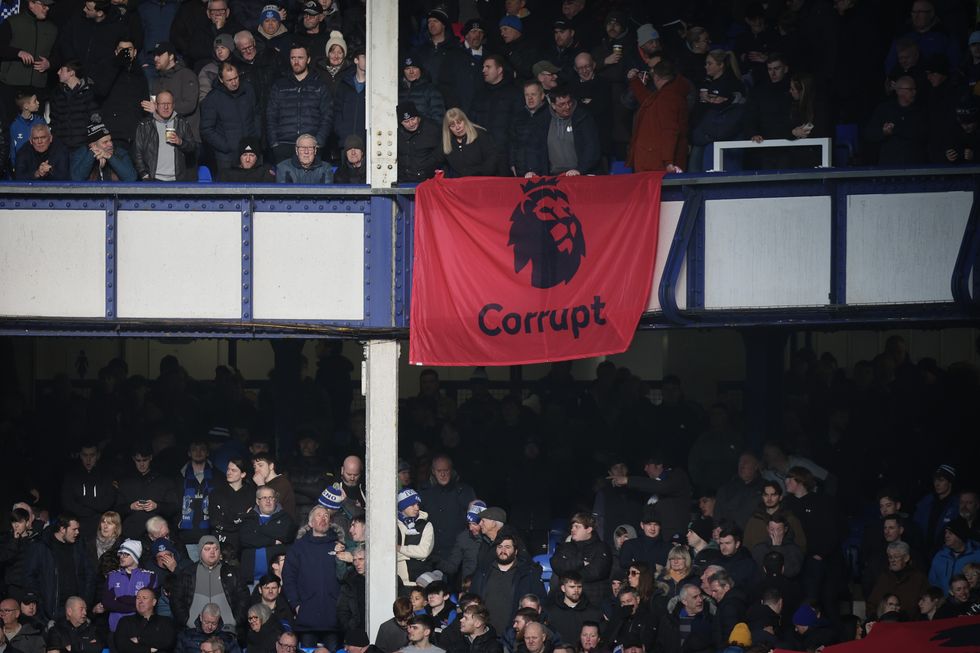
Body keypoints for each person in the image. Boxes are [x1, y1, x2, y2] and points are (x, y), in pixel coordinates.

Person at [282, 505, 343, 650]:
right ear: (310, 523)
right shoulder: (298, 548)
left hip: (333, 618)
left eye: (326, 516)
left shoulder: (339, 546)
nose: (323, 518)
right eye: (318, 515)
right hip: (307, 618)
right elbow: (288, 578)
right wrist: (296, 605)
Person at [469, 533, 545, 636]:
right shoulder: (483, 571)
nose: (503, 550)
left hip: (513, 634)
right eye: (500, 547)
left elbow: (541, 602)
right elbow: (472, 599)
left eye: (507, 547)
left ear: (516, 551)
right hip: (485, 633)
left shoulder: (528, 574)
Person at [266, 44, 332, 163]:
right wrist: (274, 143)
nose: (296, 61)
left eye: (300, 58)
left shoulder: (319, 85)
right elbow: (271, 115)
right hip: (284, 145)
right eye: (293, 58)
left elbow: (327, 116)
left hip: (311, 147)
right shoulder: (280, 85)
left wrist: (318, 142)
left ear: (308, 59)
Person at [170, 536, 249, 633]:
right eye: (207, 549)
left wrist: (234, 620)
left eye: (216, 549)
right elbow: (176, 600)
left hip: (227, 630)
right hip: (194, 630)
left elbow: (243, 598)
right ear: (200, 551)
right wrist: (187, 621)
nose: (212, 552)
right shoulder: (188, 573)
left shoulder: (233, 572)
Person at [607, 452, 693, 541]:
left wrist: (628, 480)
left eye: (647, 465)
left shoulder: (676, 476)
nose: (645, 469)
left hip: (674, 538)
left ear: (659, 465)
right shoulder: (650, 487)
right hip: (656, 539)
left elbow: (662, 487)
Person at [25, 513, 94, 622]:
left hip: (76, 608)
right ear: (62, 529)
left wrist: (85, 602)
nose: (77, 533)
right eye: (74, 529)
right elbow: (30, 576)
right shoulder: (42, 547)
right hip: (52, 609)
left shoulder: (79, 545)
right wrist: (40, 601)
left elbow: (89, 573)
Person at [625, 60, 689, 172]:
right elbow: (648, 101)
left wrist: (668, 162)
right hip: (654, 160)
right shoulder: (667, 94)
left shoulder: (668, 98)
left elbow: (669, 131)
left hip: (657, 164)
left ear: (657, 77)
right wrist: (634, 81)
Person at [523, 86, 601, 177]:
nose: (567, 107)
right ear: (553, 105)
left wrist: (580, 169)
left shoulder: (583, 118)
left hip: (580, 175)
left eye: (569, 102)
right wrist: (533, 170)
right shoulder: (542, 121)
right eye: (562, 104)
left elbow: (591, 147)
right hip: (552, 177)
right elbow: (533, 148)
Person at [689, 49, 746, 172]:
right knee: (694, 173)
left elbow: (734, 116)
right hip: (702, 136)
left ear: (721, 65)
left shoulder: (734, 85)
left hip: (721, 139)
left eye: (710, 63)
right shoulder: (705, 83)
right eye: (706, 63)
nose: (706, 67)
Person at [200, 61, 261, 172]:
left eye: (236, 78)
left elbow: (256, 115)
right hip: (227, 158)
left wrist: (256, 138)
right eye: (229, 80)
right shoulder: (212, 99)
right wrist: (226, 146)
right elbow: (206, 129)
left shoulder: (248, 90)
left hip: (250, 152)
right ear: (221, 79)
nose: (234, 83)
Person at [419, 456, 477, 565]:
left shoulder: (465, 492)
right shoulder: (424, 492)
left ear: (451, 470)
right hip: (431, 553)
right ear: (433, 471)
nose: (443, 474)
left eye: (446, 470)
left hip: (458, 555)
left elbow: (475, 523)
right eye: (439, 471)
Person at [133, 90, 196, 181]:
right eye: (162, 104)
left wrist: (181, 142)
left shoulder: (182, 123)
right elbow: (137, 152)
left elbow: (192, 148)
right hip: (153, 179)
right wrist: (144, 175)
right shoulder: (145, 125)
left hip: (177, 180)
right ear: (156, 106)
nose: (166, 107)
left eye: (169, 103)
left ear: (173, 105)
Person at [239, 487, 296, 583]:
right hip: (251, 579)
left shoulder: (285, 518)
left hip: (277, 580)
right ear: (258, 501)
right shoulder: (248, 518)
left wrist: (257, 530)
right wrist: (273, 541)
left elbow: (286, 536)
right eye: (264, 498)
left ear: (275, 500)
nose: (268, 501)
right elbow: (244, 539)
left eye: (271, 497)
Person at [147, 42, 201, 143]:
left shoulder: (186, 75)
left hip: (187, 139)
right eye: (154, 55)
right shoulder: (156, 81)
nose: (155, 59)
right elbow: (153, 108)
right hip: (164, 138)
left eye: (159, 55)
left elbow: (189, 105)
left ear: (171, 56)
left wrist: (160, 109)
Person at [103, 539, 158, 633]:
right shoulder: (112, 576)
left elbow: (147, 603)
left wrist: (120, 599)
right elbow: (107, 602)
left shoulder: (149, 577)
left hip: (140, 628)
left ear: (135, 556)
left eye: (126, 554)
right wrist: (134, 607)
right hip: (116, 628)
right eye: (120, 554)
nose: (121, 557)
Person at [70, 115, 138, 181]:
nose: (110, 144)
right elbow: (77, 179)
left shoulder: (120, 152)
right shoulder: (81, 153)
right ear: (93, 145)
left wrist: (110, 157)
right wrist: (92, 154)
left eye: (110, 140)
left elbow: (131, 178)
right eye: (105, 142)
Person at [115, 588, 176, 653]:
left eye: (144, 598)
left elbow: (168, 642)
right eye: (138, 598)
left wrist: (139, 639)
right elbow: (122, 645)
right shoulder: (125, 621)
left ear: (154, 602)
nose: (140, 601)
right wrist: (149, 650)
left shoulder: (165, 621)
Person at [441, 107, 498, 178]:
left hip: (482, 180)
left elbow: (491, 160)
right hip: (459, 184)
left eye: (459, 122)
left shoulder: (480, 135)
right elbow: (436, 160)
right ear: (448, 129)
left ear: (465, 121)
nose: (457, 127)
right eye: (453, 126)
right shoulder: (448, 142)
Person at [928, 518, 980, 593]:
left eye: (950, 533)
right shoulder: (940, 556)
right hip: (945, 602)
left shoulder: (977, 555)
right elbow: (933, 581)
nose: (946, 536)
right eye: (946, 533)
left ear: (960, 535)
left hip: (970, 601)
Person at [396, 101, 443, 183]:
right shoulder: (396, 132)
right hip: (402, 181)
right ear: (401, 123)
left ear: (418, 116)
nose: (411, 124)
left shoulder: (433, 129)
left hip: (428, 181)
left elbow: (441, 153)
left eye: (412, 119)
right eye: (406, 122)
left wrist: (428, 169)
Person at [396, 489, 434, 588]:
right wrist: (412, 554)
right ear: (402, 506)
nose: (417, 508)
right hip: (396, 582)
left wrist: (399, 548)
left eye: (417, 504)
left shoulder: (426, 525)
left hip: (419, 583)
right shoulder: (392, 524)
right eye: (412, 505)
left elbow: (423, 552)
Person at [174, 604, 241, 653]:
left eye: (213, 623)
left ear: (218, 620)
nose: (209, 627)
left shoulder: (228, 639)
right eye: (206, 622)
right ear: (201, 617)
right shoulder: (186, 636)